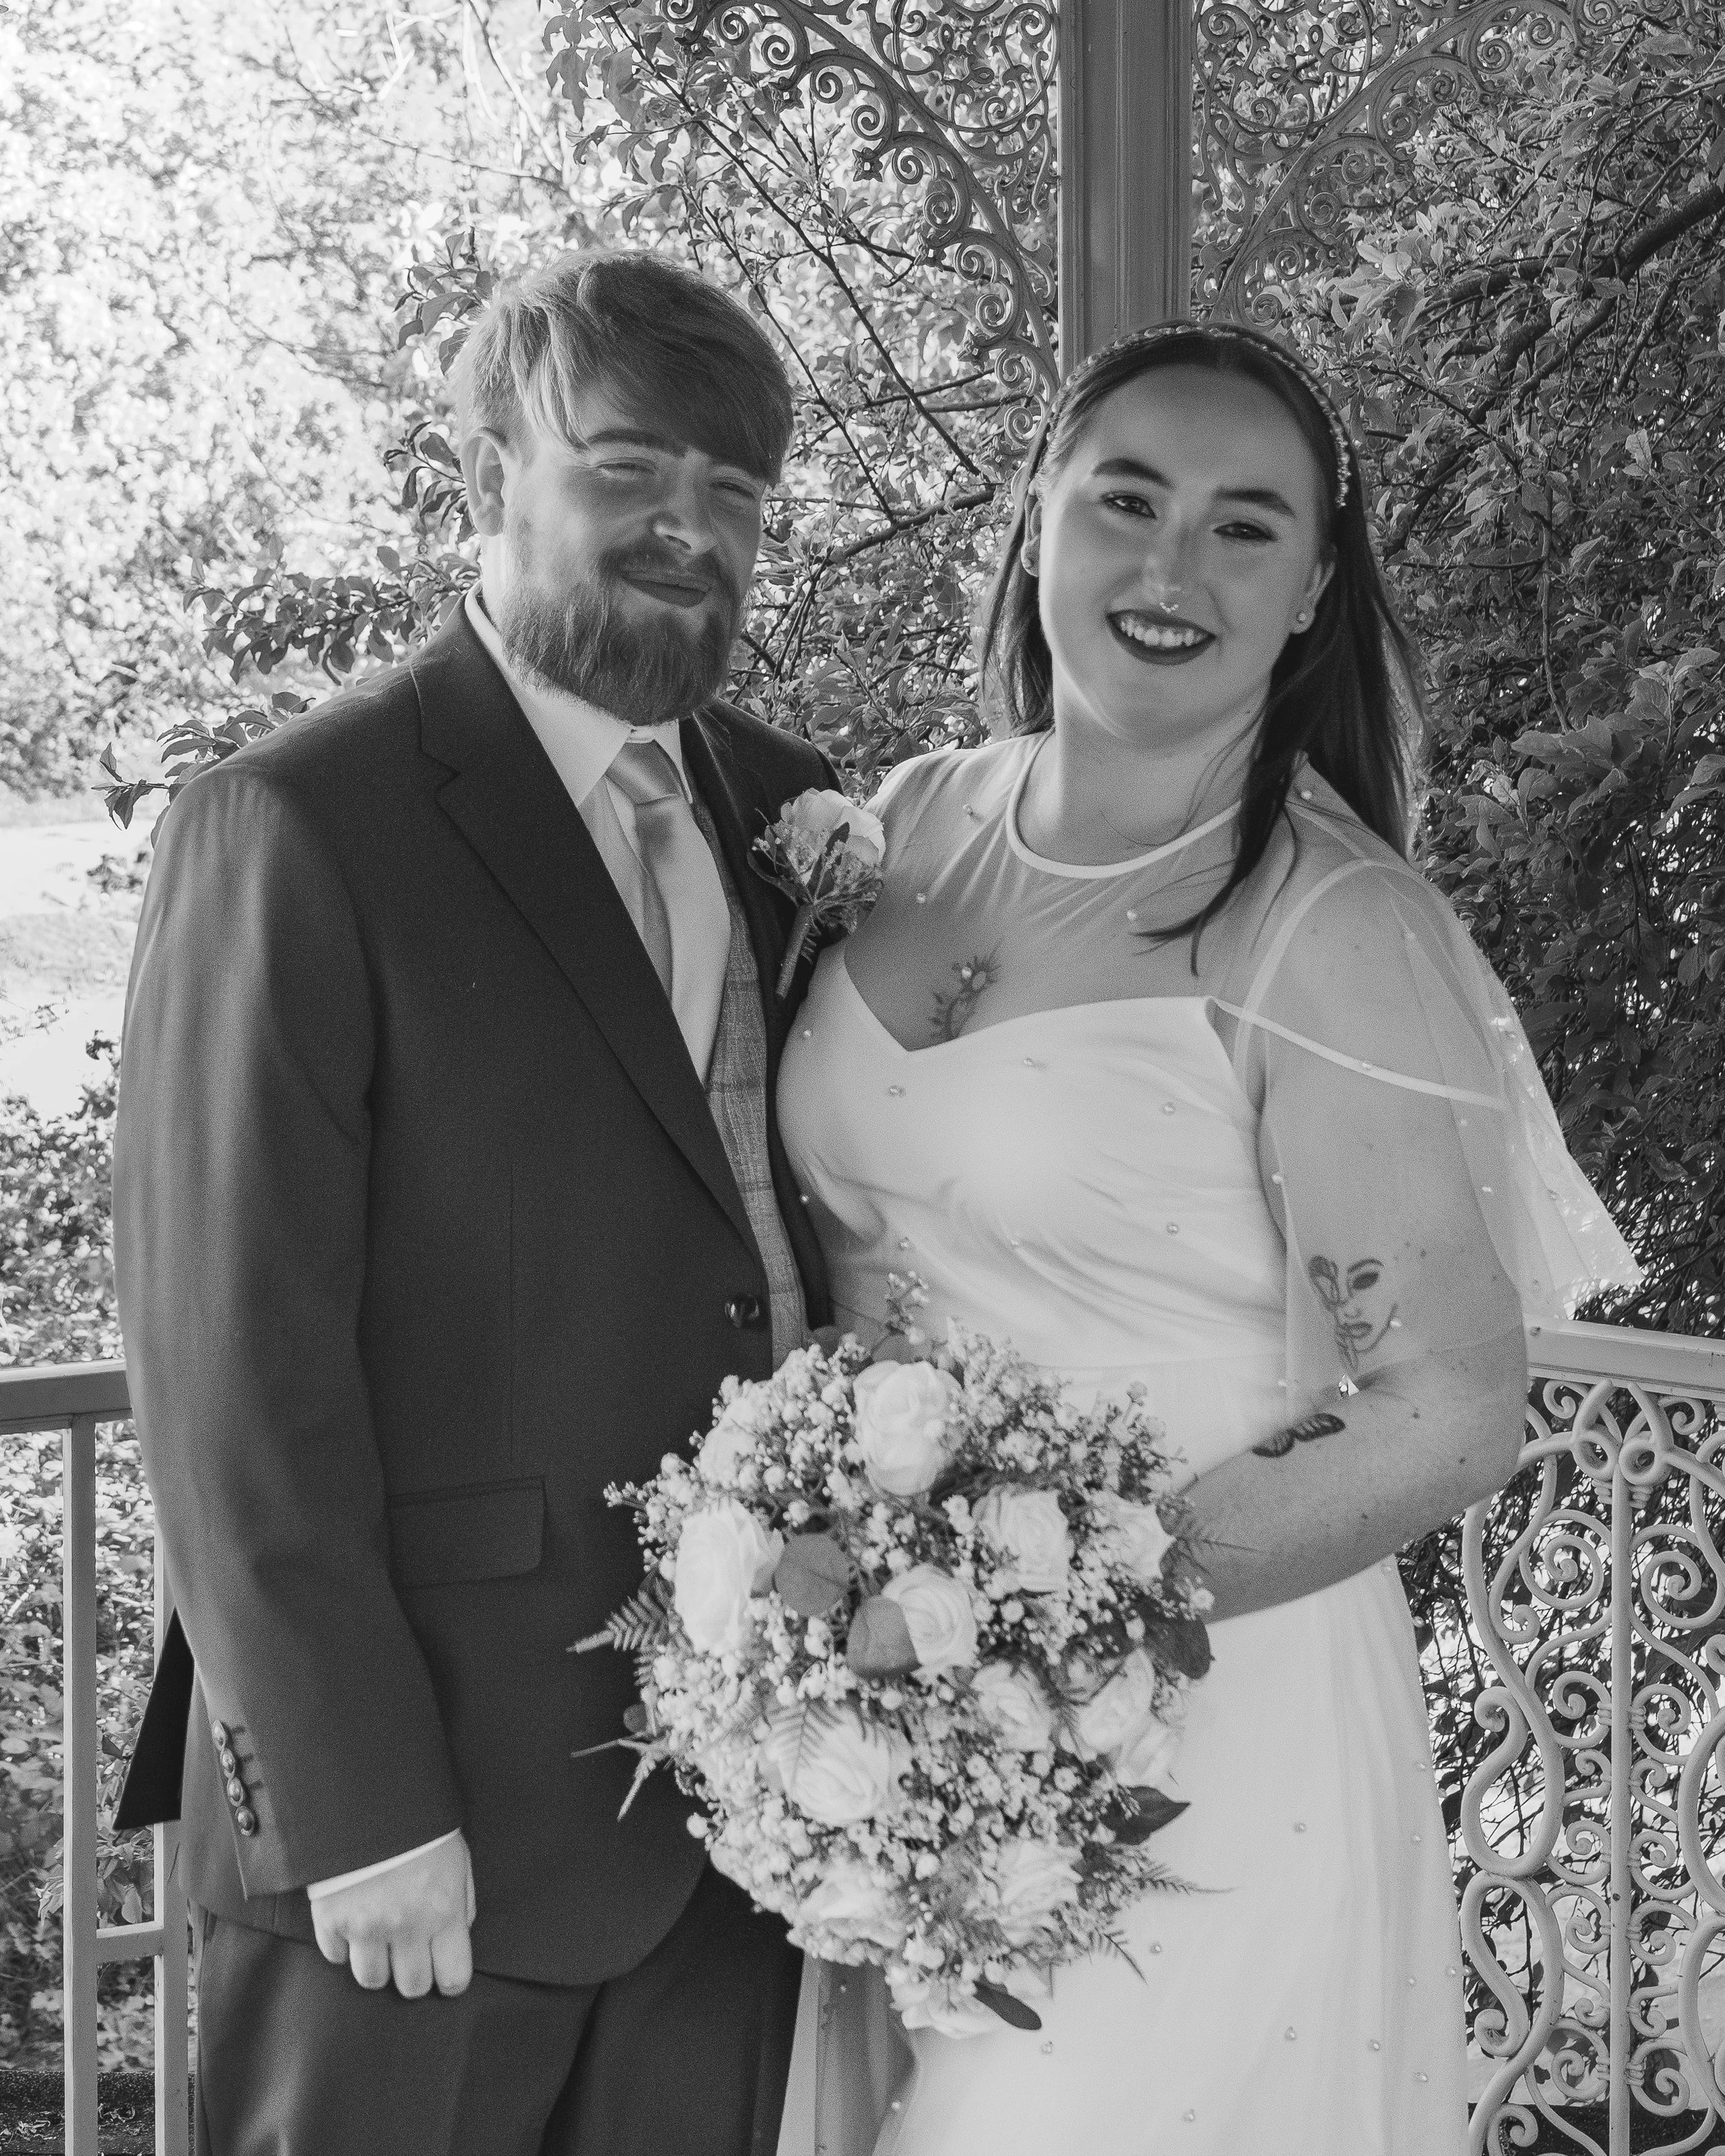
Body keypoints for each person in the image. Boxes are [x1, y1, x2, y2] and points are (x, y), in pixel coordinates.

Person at [773, 320, 1640, 2153]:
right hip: (888, 1716)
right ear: (1036, 520)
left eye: (1245, 526)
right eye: (1126, 499)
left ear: (1312, 583)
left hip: (1192, 1728)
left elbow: (1441, 1404)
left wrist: (1055, 1616)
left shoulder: (1329, 930)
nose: (1170, 568)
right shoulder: (917, 819)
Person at [112, 249, 838, 2156]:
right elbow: (224, 1365)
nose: (689, 533)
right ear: (482, 484)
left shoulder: (793, 814)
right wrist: (354, 1806)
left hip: (739, 1823)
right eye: (625, 472)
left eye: (736, 493)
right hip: (419, 1829)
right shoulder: (299, 822)